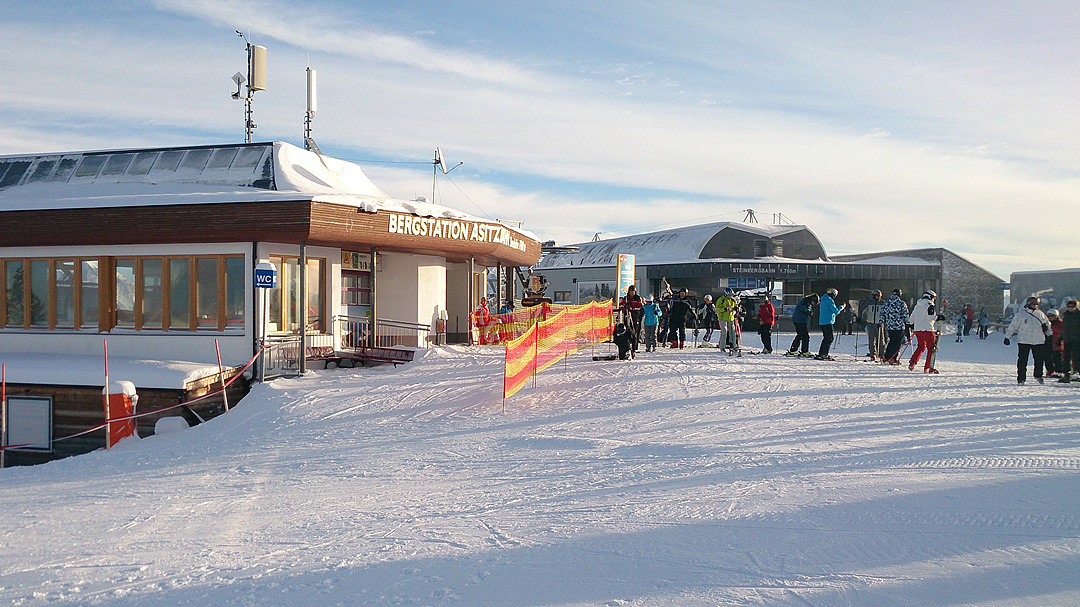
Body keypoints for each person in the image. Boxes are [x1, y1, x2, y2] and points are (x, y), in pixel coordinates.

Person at [1004, 296, 1052, 384]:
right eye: (1033, 304)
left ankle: (1038, 375)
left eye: (1036, 305)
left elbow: (1048, 324)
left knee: (1039, 360)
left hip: (1038, 340)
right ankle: (1021, 378)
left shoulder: (1040, 314)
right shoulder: (1021, 314)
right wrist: (1007, 337)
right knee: (1022, 360)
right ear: (1029, 304)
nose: (1035, 306)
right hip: (1024, 341)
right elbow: (1013, 326)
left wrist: (1050, 334)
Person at [906, 290, 939, 372]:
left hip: (917, 330)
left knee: (921, 346)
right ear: (930, 297)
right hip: (928, 329)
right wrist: (938, 317)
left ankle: (913, 362)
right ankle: (928, 367)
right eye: (933, 298)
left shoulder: (917, 306)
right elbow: (930, 317)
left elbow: (911, 319)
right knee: (931, 348)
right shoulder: (929, 306)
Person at [880, 289, 910, 365]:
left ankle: (886, 357)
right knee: (897, 343)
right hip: (899, 326)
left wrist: (881, 322)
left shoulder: (886, 303)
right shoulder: (901, 303)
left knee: (891, 341)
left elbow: (882, 313)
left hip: (889, 326)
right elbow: (905, 315)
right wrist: (908, 324)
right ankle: (892, 358)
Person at [816, 288, 845, 360]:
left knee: (826, 338)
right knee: (829, 338)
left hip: (822, 321)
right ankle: (823, 353)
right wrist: (842, 307)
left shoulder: (823, 299)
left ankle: (822, 353)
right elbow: (835, 311)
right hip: (828, 321)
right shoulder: (829, 300)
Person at [1059, 299, 1080, 382]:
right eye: (1069, 306)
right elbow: (1064, 328)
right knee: (1066, 358)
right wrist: (1061, 337)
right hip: (1067, 340)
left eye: (1073, 306)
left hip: (1077, 340)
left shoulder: (1078, 315)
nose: (1071, 308)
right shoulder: (1066, 315)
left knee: (1077, 357)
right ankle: (1066, 375)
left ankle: (1077, 373)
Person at [860, 290, 885, 360]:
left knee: (881, 339)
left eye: (879, 296)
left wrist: (884, 320)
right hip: (870, 322)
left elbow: (886, 312)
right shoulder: (869, 302)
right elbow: (862, 310)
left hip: (879, 323)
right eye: (877, 296)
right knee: (871, 339)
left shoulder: (883, 303)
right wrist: (860, 317)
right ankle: (873, 353)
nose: (878, 297)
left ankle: (882, 353)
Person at [715, 288, 740, 353]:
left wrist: (736, 309)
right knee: (724, 332)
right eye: (729, 295)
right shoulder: (721, 300)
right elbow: (717, 309)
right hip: (722, 318)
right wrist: (725, 309)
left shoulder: (733, 300)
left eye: (731, 295)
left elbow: (735, 306)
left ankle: (734, 346)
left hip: (731, 318)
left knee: (733, 332)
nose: (730, 296)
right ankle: (722, 347)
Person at [622, 285, 644, 354]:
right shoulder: (626, 298)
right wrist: (625, 306)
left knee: (635, 331)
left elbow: (640, 307)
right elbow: (621, 305)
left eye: (633, 291)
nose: (632, 293)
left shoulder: (638, 298)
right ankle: (627, 345)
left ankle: (635, 347)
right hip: (627, 316)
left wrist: (632, 308)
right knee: (627, 330)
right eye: (631, 291)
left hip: (636, 316)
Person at [1045, 309, 1063, 377]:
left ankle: (1059, 371)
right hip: (1047, 342)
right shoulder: (1046, 323)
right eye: (1048, 316)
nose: (1050, 317)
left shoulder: (1060, 323)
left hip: (1057, 342)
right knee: (1047, 357)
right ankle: (1050, 370)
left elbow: (1062, 331)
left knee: (1057, 358)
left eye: (1052, 316)